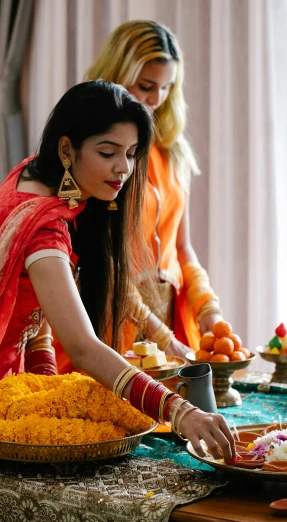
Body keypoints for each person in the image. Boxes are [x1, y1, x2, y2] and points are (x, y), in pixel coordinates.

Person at [0, 80, 236, 464]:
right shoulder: (41, 227)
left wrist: (49, 391)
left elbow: (37, 317)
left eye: (132, 153)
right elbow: (83, 347)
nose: (123, 168)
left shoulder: (42, 178)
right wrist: (178, 411)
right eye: (108, 152)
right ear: (67, 150)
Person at [85, 20, 227, 357]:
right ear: (117, 73)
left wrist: (208, 308)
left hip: (170, 317)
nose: (156, 99)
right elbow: (102, 264)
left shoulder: (172, 149)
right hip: (113, 320)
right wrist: (162, 339)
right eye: (147, 85)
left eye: (167, 87)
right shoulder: (94, 153)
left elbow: (181, 247)